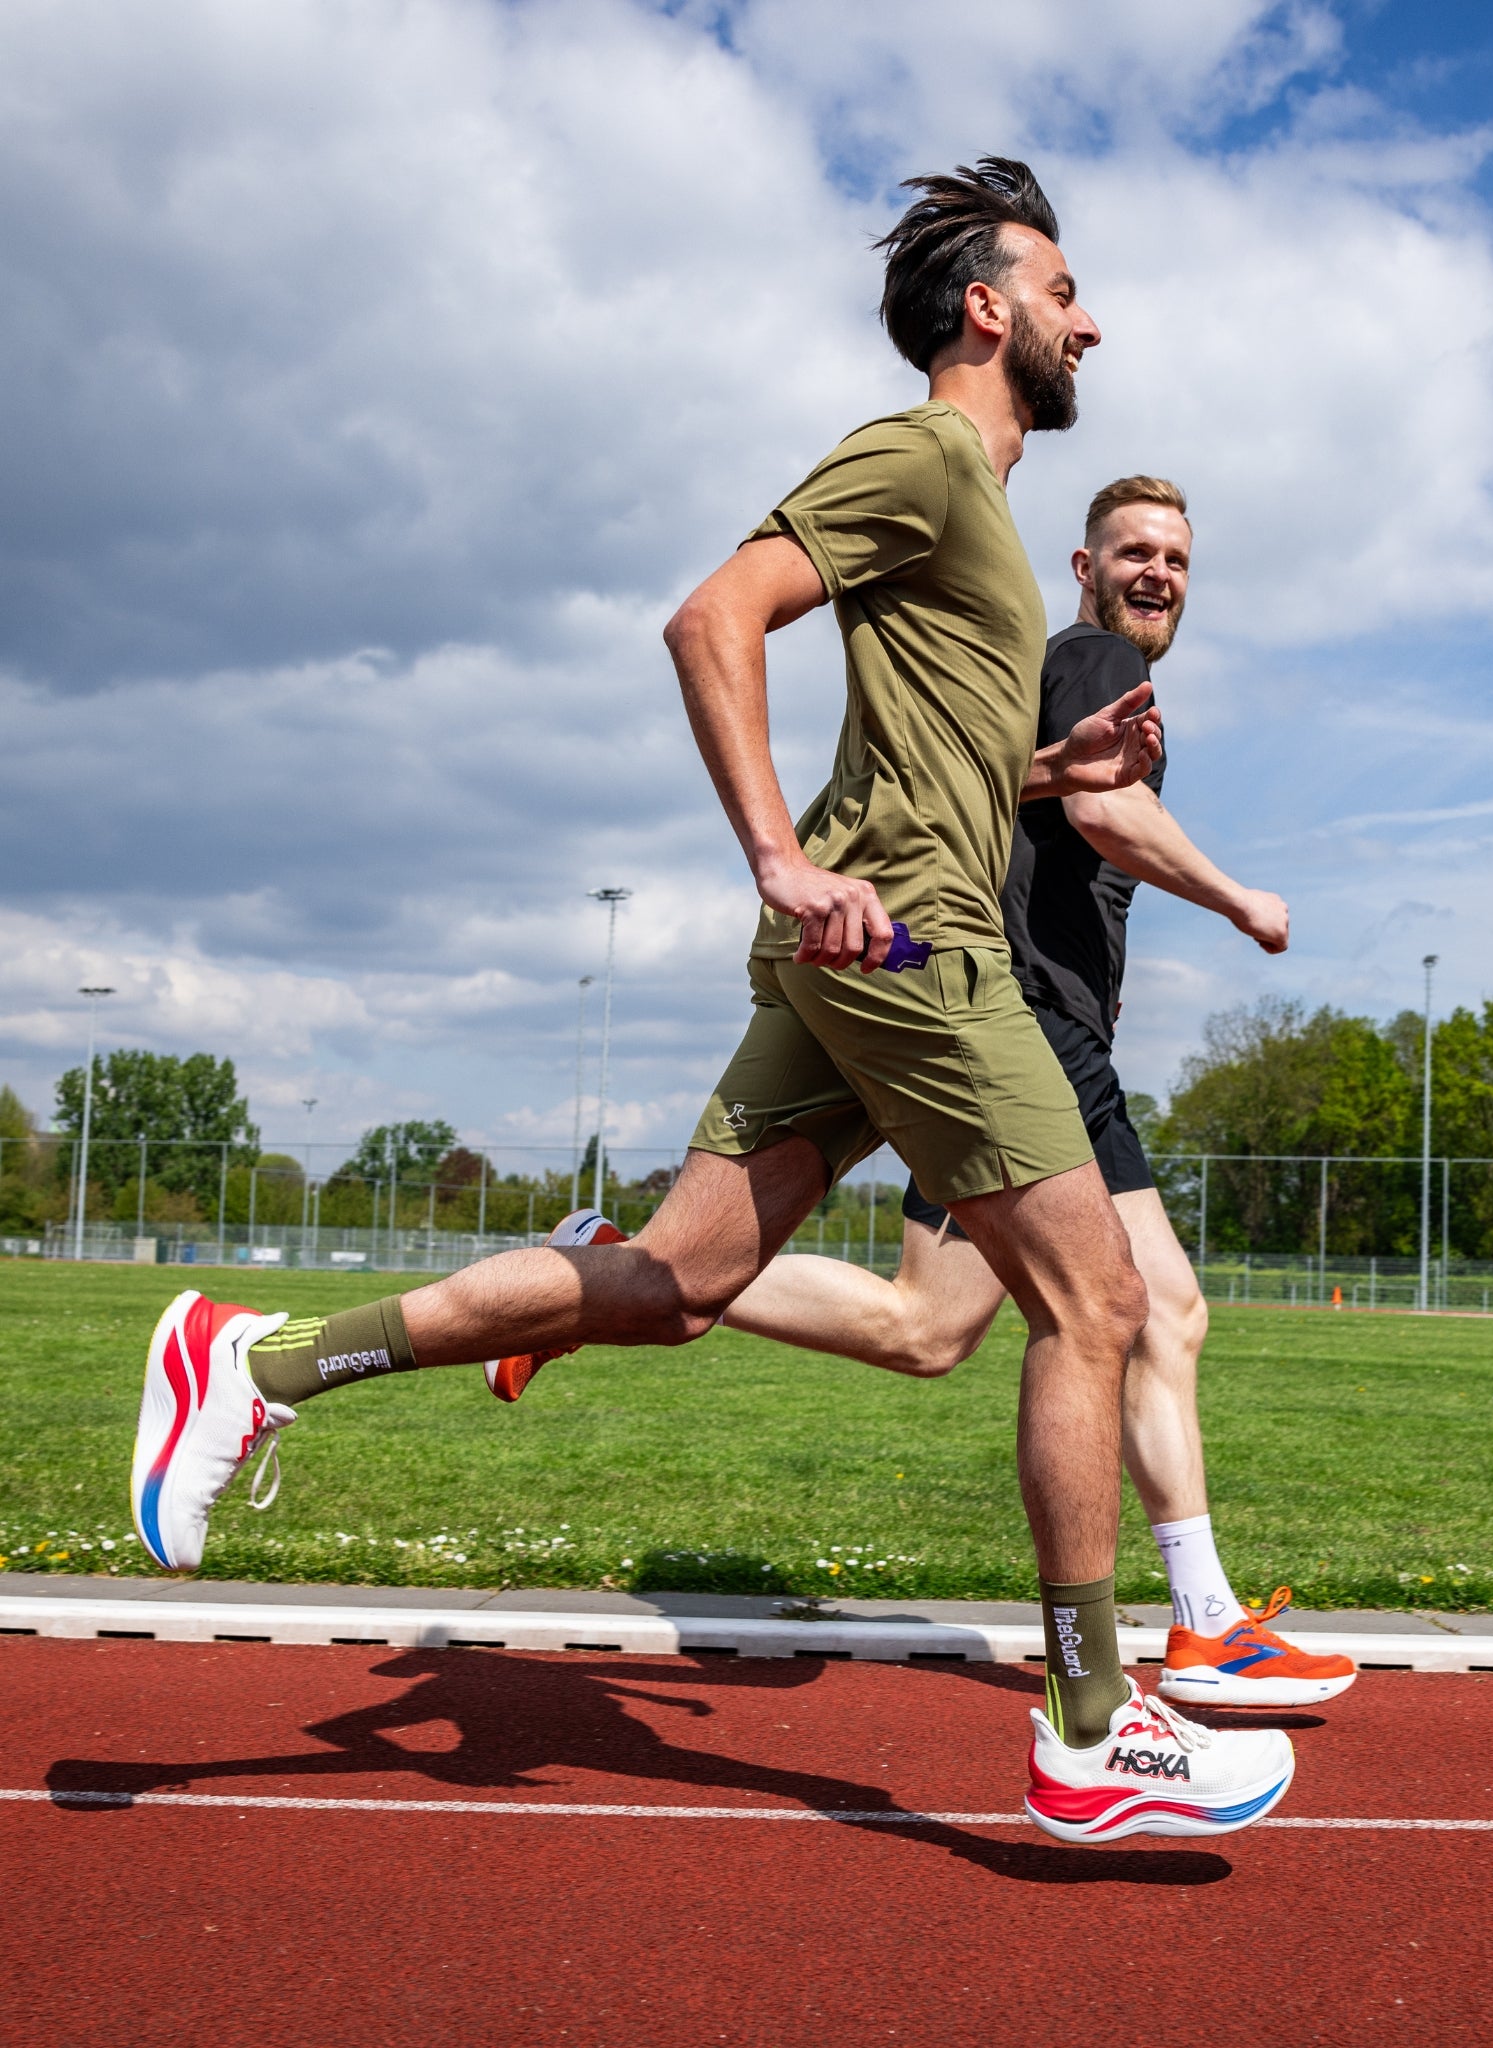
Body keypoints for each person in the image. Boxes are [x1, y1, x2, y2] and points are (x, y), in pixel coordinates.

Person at [128, 157, 1294, 1843]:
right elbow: (710, 618)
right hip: (913, 949)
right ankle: (1093, 1718)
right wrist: (775, 857)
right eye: (1059, 288)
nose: (1085, 317)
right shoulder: (921, 453)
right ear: (986, 308)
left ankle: (263, 1358)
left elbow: (938, 762)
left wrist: (1054, 764)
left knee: (674, 1282)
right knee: (1095, 1305)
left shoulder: (974, 510)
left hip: (872, 944)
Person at [498, 477, 1356, 1712]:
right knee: (1155, 1309)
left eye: (1175, 556)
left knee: (929, 1327)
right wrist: (1235, 896)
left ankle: (607, 1262)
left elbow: (1030, 793)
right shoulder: (1091, 656)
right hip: (1030, 1038)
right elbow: (1109, 814)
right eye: (1134, 551)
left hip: (1025, 1028)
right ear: (1083, 563)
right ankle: (1200, 1619)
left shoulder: (1069, 682)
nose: (1156, 572)